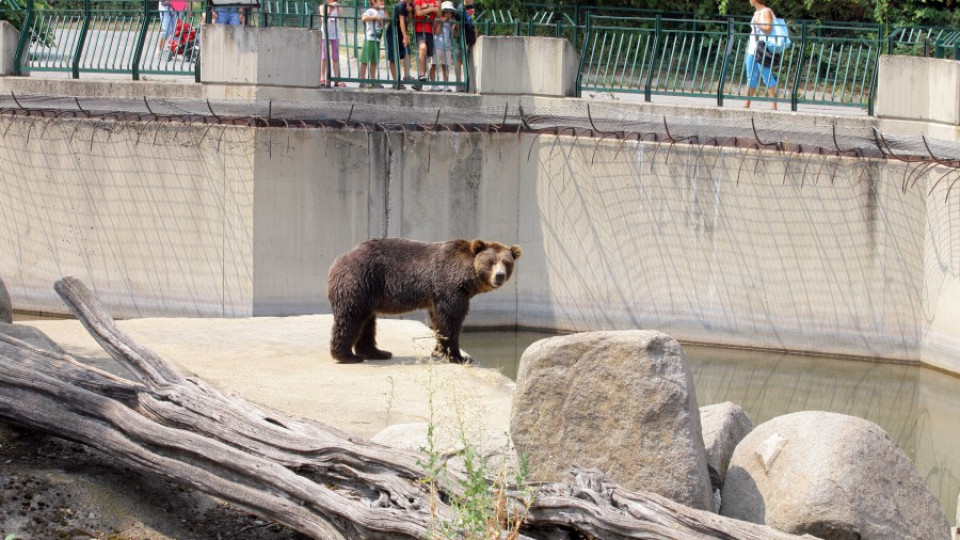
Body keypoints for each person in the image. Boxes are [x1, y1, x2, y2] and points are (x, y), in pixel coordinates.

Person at [744, 0, 778, 110]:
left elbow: (769, 29)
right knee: (751, 76)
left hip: (762, 49)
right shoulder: (756, 13)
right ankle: (747, 104)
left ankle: (774, 105)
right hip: (752, 49)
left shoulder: (766, 11)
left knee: (766, 75)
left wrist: (758, 23)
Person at [412, 0, 439, 90]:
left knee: (428, 58)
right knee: (423, 48)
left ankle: (420, 84)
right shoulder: (418, 1)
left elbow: (439, 12)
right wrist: (430, 8)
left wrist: (426, 7)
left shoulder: (435, 1)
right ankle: (422, 74)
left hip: (430, 32)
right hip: (419, 30)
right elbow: (418, 13)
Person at [386, 0, 413, 88]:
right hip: (393, 33)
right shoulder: (401, 5)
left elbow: (410, 19)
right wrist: (405, 37)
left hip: (400, 33)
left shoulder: (407, 5)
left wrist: (409, 11)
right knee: (393, 58)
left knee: (407, 52)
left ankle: (406, 75)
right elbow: (401, 21)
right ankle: (396, 81)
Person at [359, 0, 386, 88]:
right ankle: (362, 80)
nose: (383, 2)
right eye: (380, 1)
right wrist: (375, 17)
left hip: (377, 40)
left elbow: (387, 18)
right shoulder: (370, 11)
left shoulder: (382, 11)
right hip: (370, 39)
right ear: (373, 2)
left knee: (374, 61)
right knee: (365, 60)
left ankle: (373, 80)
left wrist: (384, 10)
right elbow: (363, 18)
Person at [433, 2, 459, 91]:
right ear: (443, 12)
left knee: (445, 66)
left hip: (448, 46)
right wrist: (441, 22)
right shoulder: (437, 19)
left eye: (450, 12)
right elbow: (436, 32)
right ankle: (433, 84)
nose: (448, 14)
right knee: (434, 64)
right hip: (437, 45)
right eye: (446, 12)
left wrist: (455, 26)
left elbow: (456, 34)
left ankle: (445, 85)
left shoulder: (452, 22)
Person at [320, 0, 345, 87]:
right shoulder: (322, 7)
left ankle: (337, 79)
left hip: (336, 34)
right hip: (325, 34)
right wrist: (329, 9)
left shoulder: (338, 6)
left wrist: (337, 8)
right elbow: (323, 19)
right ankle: (322, 78)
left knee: (335, 57)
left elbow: (340, 17)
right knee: (324, 57)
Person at [455, 0, 476, 91]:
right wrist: (459, 36)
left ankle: (468, 83)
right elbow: (457, 24)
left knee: (469, 61)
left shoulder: (471, 7)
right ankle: (459, 83)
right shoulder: (460, 8)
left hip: (471, 37)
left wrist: (476, 35)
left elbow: (474, 23)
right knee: (460, 59)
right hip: (464, 37)